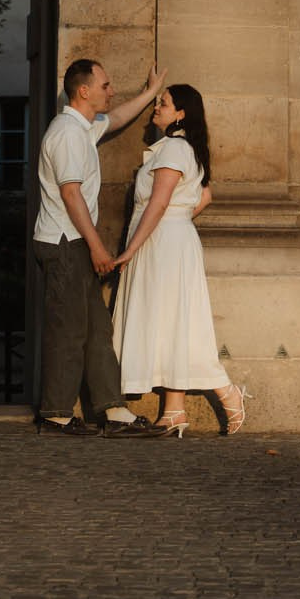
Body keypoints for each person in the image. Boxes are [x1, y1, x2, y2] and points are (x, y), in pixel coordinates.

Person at [32, 56, 165, 437]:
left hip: (73, 242)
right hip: (65, 243)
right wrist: (96, 248)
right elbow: (71, 195)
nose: (111, 91)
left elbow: (118, 118)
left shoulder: (82, 128)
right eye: (105, 86)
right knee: (70, 330)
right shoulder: (67, 134)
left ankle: (113, 411)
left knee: (96, 330)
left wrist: (150, 93)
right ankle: (56, 413)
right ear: (84, 91)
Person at [110, 83, 250, 438]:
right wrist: (181, 218)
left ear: (181, 113)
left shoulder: (174, 148)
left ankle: (225, 390)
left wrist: (130, 250)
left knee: (175, 322)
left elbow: (157, 204)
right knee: (172, 322)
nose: (157, 107)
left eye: (164, 103)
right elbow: (205, 195)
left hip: (161, 243)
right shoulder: (183, 148)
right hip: (170, 240)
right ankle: (174, 411)